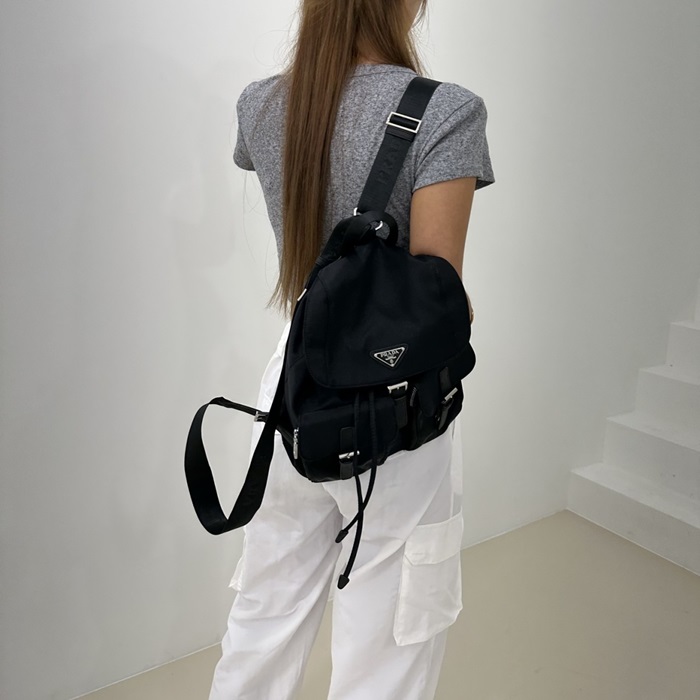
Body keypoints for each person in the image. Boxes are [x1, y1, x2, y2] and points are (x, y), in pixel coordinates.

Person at [208, 1, 495, 698]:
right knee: (389, 644)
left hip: (293, 388)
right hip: (399, 403)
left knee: (264, 618)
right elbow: (437, 304)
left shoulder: (262, 104)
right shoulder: (447, 110)